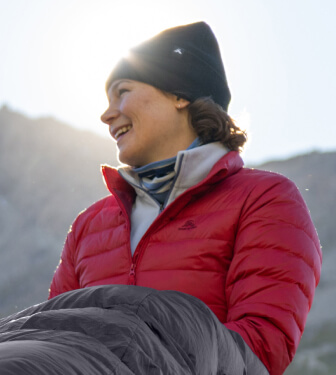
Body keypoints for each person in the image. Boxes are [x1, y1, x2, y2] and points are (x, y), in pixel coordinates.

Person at [49, 22, 322, 374]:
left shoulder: (264, 199)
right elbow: (53, 339)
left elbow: (259, 347)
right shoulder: (89, 225)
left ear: (180, 93)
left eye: (122, 92)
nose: (106, 114)